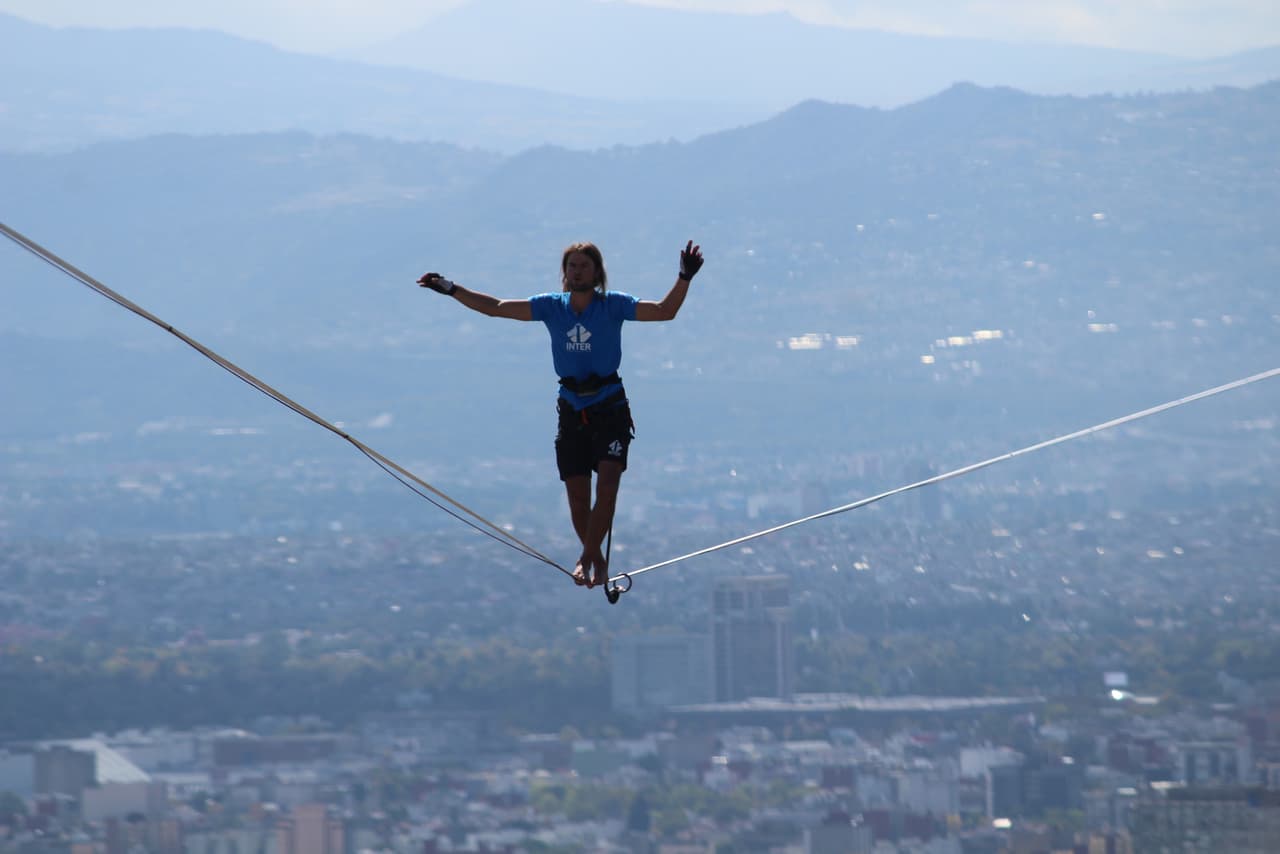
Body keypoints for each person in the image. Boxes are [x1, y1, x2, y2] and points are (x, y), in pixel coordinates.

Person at [418, 240, 703, 593]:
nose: (577, 272)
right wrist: (451, 289)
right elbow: (496, 308)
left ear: (597, 273)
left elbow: (663, 311)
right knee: (578, 497)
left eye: (584, 266)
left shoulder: (613, 305)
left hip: (609, 407)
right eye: (572, 266)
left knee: (608, 487)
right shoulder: (552, 307)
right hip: (571, 408)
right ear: (564, 273)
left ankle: (586, 557)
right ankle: (597, 560)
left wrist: (684, 277)